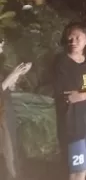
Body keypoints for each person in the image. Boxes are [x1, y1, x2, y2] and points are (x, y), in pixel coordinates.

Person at [53, 22, 86, 180]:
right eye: (70, 36)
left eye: (78, 37)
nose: (73, 41)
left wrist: (83, 95)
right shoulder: (61, 63)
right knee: (76, 169)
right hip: (74, 125)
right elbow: (69, 96)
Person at [0, 40, 32, 179]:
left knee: (11, 149)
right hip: (2, 114)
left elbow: (7, 88)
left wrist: (18, 75)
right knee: (8, 152)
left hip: (6, 110)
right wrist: (13, 75)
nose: (2, 45)